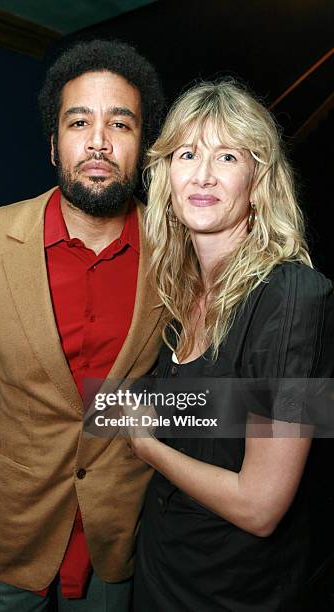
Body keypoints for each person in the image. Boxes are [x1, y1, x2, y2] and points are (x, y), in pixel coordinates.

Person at [0, 39, 165, 611]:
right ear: (54, 146)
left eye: (121, 124)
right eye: (78, 121)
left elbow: (184, 389)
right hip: (10, 520)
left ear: (145, 147)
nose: (99, 142)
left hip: (118, 531)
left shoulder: (180, 252)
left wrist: (288, 413)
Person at [125, 80, 334, 611]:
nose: (202, 175)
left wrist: (147, 445)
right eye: (187, 154)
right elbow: (204, 416)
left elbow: (261, 505)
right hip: (158, 574)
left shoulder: (295, 299)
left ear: (257, 178)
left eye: (227, 156)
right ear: (165, 174)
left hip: (232, 595)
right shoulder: (176, 292)